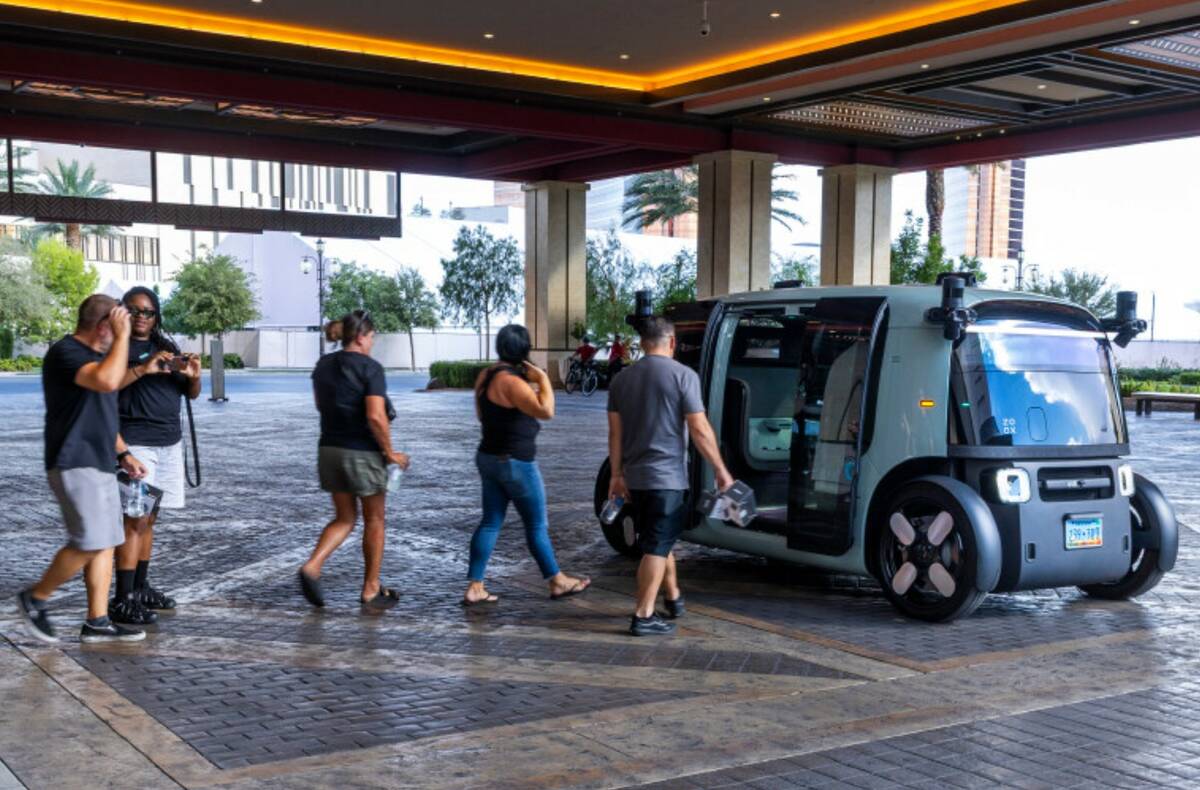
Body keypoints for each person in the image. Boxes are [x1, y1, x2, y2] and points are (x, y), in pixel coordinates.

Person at [15, 294, 149, 643]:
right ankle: (36, 598)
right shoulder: (67, 352)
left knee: (105, 542)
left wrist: (123, 453)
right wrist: (121, 340)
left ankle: (97, 621)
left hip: (100, 461)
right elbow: (106, 382)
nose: (124, 332)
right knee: (89, 540)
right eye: (119, 324)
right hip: (74, 461)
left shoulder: (96, 359)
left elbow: (101, 409)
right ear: (104, 324)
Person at [606, 316, 733, 637]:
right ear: (672, 342)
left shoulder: (622, 380)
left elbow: (615, 435)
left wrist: (616, 475)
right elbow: (700, 429)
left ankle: (673, 597)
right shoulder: (683, 376)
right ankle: (643, 615)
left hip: (635, 478)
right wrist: (720, 469)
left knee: (658, 540)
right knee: (657, 546)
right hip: (667, 479)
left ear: (641, 343)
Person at [463, 325, 591, 605]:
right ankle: (557, 581)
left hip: (488, 457)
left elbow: (480, 413)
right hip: (516, 463)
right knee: (536, 525)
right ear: (523, 349)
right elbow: (546, 411)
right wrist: (544, 379)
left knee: (490, 522)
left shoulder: (486, 376)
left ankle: (475, 586)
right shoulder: (512, 382)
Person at [299, 311, 410, 611]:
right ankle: (371, 588)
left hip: (329, 449)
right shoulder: (370, 368)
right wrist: (390, 453)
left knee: (345, 518)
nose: (373, 343)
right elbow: (375, 415)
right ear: (361, 336)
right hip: (362, 452)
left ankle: (312, 566)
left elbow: (320, 404)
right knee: (375, 519)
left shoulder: (323, 365)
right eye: (372, 337)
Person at [110, 286, 202, 625]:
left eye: (148, 311)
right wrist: (144, 368)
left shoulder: (167, 347)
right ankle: (123, 598)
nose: (141, 317)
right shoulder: (116, 346)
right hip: (137, 445)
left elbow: (190, 394)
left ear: (156, 315)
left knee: (150, 518)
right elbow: (106, 385)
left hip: (169, 443)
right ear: (124, 312)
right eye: (134, 310)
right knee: (134, 520)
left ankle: (141, 587)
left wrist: (194, 377)